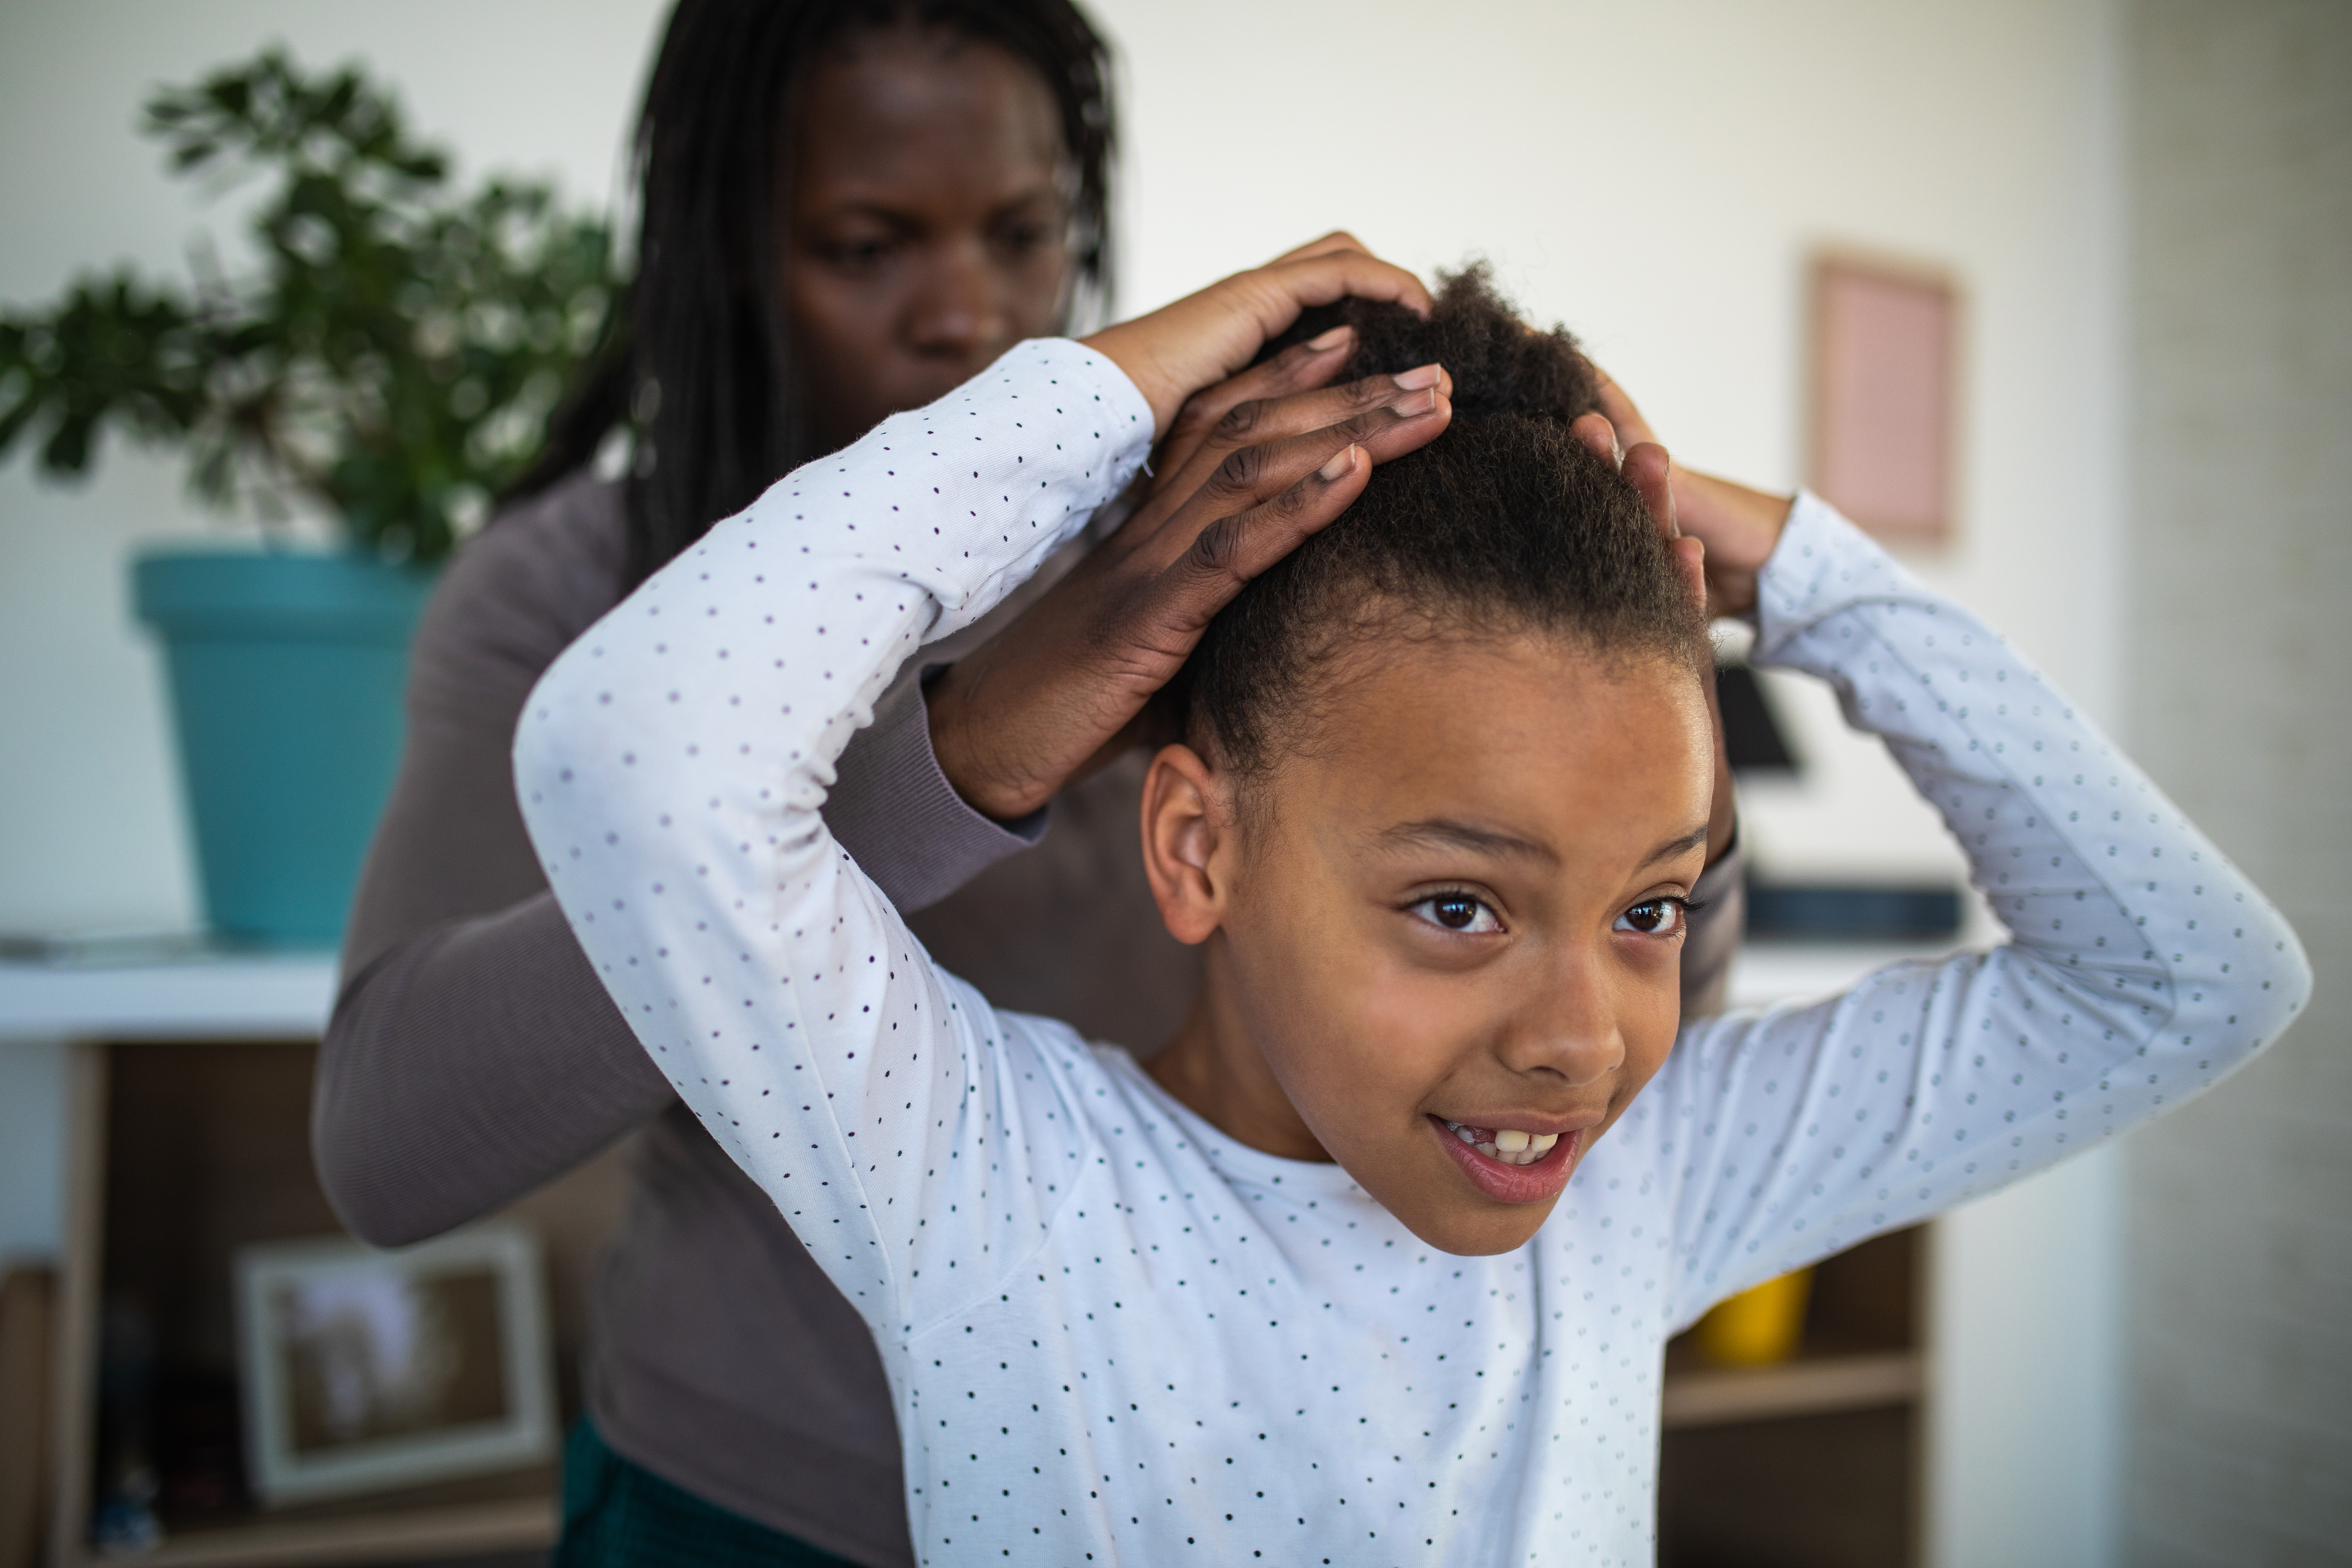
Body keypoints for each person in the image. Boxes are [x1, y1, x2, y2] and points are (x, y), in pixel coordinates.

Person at [512, 265, 2309, 1564]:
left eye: (1654, 908)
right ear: (1198, 847)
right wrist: (1106, 405)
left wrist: (1800, 572)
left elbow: (2197, 978)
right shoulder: (985, 1174)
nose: (1582, 1040)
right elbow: (627, 754)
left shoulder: (1633, 1192)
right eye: (1460, 904)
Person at [313, 8, 1751, 1568]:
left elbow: (1610, 1031)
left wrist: (1657, 721)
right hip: (747, 1505)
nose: (970, 312)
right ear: (734, 248)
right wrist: (972, 744)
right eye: (870, 245)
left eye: (1026, 235)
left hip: (1179, 1500)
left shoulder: (1226, 538)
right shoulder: (591, 596)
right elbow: (392, 1147)